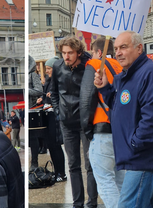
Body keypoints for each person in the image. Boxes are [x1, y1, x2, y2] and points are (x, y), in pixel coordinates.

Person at [94, 31, 153, 208]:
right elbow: (119, 107)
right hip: (134, 155)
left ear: (139, 48)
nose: (118, 52)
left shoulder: (150, 73)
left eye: (123, 47)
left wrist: (135, 144)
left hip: (141, 157)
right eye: (116, 48)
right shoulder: (123, 76)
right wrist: (105, 88)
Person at [51, 36, 98, 208]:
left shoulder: (89, 65)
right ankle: (77, 203)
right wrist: (58, 112)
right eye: (63, 53)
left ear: (79, 52)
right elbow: (53, 92)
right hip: (66, 121)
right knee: (72, 165)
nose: (66, 56)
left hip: (86, 121)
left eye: (70, 53)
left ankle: (91, 203)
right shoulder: (58, 66)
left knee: (90, 164)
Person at [80, 36, 124, 208]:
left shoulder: (95, 65)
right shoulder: (121, 67)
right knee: (120, 181)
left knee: (105, 182)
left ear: (99, 52)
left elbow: (86, 100)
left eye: (92, 53)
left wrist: (86, 129)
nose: (90, 56)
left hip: (101, 129)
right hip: (120, 131)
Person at [35, 56, 66, 182]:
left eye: (49, 68)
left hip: (55, 116)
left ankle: (62, 173)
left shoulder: (60, 80)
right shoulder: (48, 81)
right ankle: (57, 171)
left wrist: (53, 96)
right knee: (51, 146)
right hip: (47, 114)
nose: (46, 71)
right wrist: (42, 99)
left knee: (56, 145)